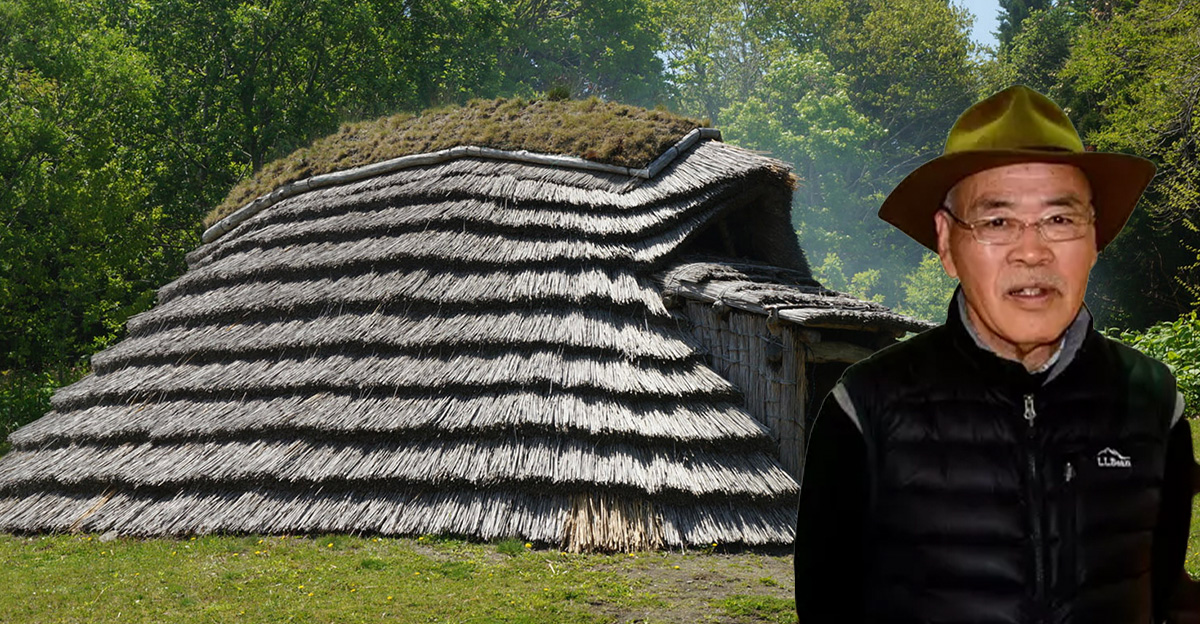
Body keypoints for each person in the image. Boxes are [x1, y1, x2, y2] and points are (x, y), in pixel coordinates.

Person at [794, 85, 1194, 624]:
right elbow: (826, 603)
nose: (1032, 250)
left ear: (1094, 240)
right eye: (997, 221)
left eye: (1060, 219)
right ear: (946, 243)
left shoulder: (1154, 397)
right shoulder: (864, 408)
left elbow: (1163, 590)